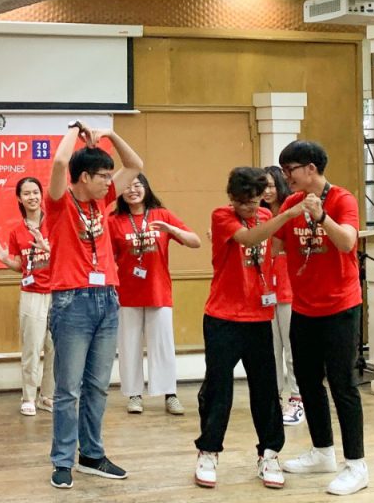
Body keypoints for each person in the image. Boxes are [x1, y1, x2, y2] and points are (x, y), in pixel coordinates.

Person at [193, 167, 304, 490]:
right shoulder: (221, 216)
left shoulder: (265, 216)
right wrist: (288, 214)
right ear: (232, 198)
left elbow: (275, 244)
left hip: (258, 318)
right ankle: (209, 451)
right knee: (218, 390)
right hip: (223, 318)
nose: (249, 208)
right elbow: (249, 238)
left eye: (254, 202)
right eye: (243, 203)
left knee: (266, 391)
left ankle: (269, 454)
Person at [46, 121, 142, 490]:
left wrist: (109, 135)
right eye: (102, 176)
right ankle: (62, 460)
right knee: (68, 388)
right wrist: (75, 129)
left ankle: (91, 455)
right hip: (72, 300)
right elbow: (60, 164)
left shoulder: (100, 201)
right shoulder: (60, 202)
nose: (109, 182)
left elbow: (135, 165)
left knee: (98, 386)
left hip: (108, 299)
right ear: (84, 177)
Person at [274, 141, 367, 496]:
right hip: (304, 308)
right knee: (309, 383)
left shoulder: (342, 199)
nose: (286, 176)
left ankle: (356, 465)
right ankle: (323, 452)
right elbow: (277, 246)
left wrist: (322, 217)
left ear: (310, 168)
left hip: (340, 308)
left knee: (343, 385)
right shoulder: (290, 204)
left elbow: (347, 243)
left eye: (290, 169)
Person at [108, 173, 200, 416]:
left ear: (146, 188)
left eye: (137, 185)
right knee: (129, 346)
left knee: (163, 346)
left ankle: (170, 394)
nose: (132, 190)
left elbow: (195, 241)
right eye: (127, 187)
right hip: (127, 293)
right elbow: (106, 256)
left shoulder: (162, 214)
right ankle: (134, 395)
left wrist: (171, 229)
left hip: (158, 291)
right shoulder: (113, 220)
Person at [0, 176, 55, 416]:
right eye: (26, 193)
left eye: (35, 192)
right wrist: (5, 260)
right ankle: (29, 397)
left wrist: (48, 247)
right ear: (19, 198)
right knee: (31, 348)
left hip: (58, 292)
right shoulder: (17, 232)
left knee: (55, 348)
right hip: (32, 294)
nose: (32, 197)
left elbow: (67, 255)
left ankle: (47, 396)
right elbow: (21, 265)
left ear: (41, 194)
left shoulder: (55, 224)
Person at [262, 166, 305, 427]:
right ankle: (274, 398)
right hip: (265, 289)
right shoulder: (258, 215)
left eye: (271, 185)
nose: (267, 191)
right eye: (262, 186)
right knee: (271, 348)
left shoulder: (292, 213)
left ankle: (297, 399)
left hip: (289, 288)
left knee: (292, 348)